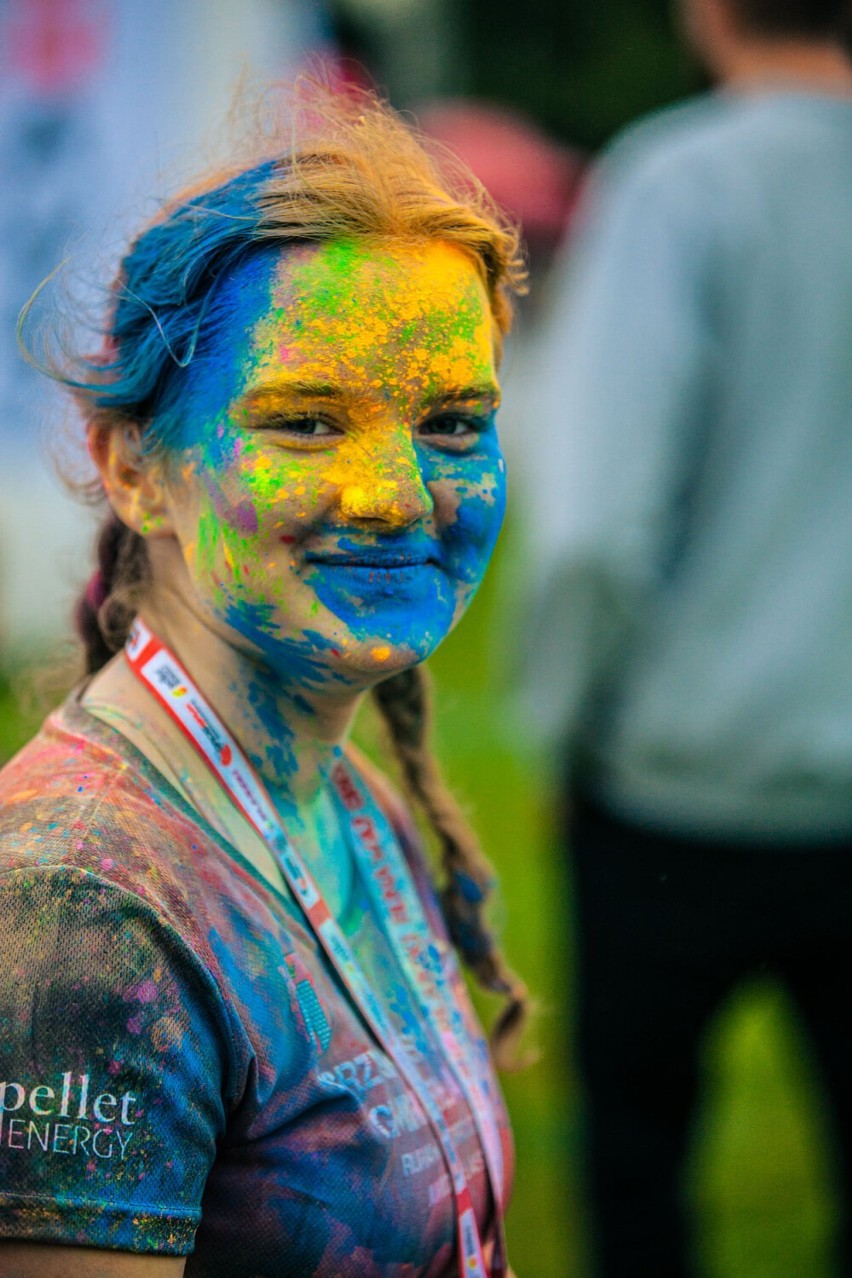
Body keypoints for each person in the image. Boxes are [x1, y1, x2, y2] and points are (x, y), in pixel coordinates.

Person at [0, 79, 529, 1277]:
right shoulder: (81, 912)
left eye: (452, 423)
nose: (398, 494)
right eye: (305, 422)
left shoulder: (337, 799)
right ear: (134, 467)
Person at [519, 0, 852, 1273]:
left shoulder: (674, 182)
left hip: (676, 791)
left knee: (640, 1168)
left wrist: (561, 724)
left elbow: (599, 528)